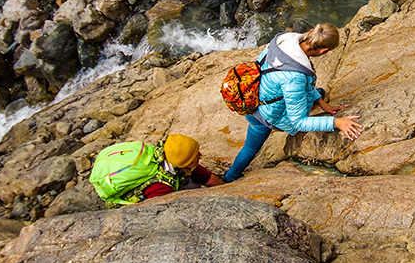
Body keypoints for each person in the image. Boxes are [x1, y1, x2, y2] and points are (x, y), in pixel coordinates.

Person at [224, 23, 362, 182]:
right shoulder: (294, 76)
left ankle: (316, 96)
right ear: (323, 51)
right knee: (250, 149)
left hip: (256, 97)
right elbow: (298, 122)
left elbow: (292, 82)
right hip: (263, 115)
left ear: (311, 32)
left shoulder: (281, 42)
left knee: (312, 93)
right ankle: (230, 178)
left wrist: (320, 101)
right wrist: (336, 123)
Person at [89, 133, 224, 205]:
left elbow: (203, 175)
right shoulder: (162, 186)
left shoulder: (171, 154)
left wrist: (225, 188)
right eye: (195, 156)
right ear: (184, 164)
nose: (200, 155)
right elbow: (154, 209)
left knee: (194, 185)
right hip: (131, 202)